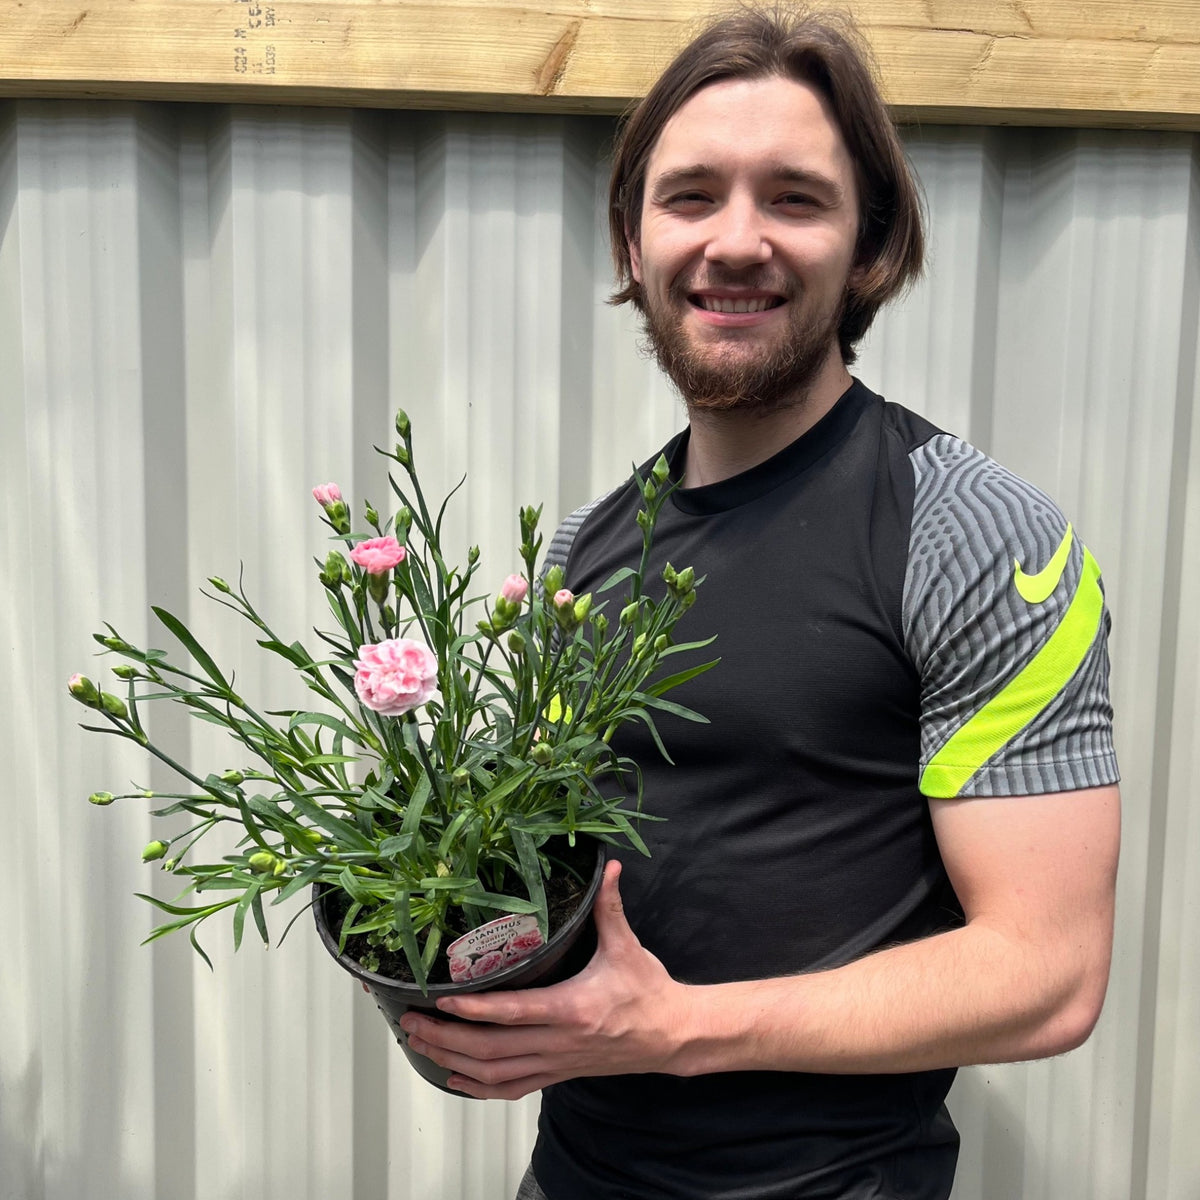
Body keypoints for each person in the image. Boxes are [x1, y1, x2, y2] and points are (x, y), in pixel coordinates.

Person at [398, 7, 1122, 1198]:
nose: (737, 241)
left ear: (869, 246)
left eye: (794, 197)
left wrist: (673, 1030)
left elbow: (1049, 974)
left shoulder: (975, 536)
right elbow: (554, 875)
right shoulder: (587, 553)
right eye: (690, 196)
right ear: (633, 245)